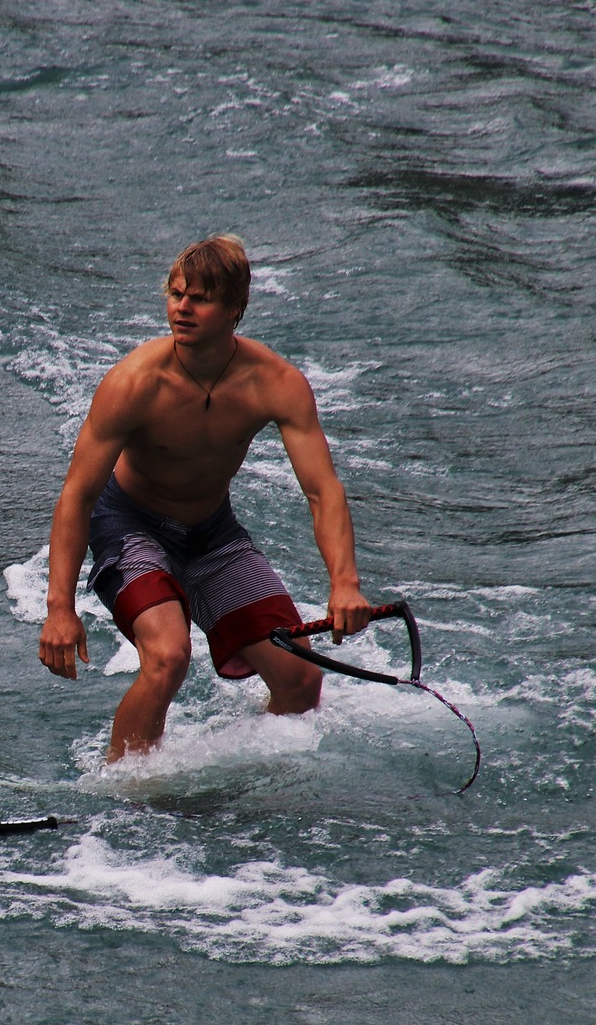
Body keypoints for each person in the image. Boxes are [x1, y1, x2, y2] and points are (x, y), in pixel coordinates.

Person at [37, 233, 372, 763]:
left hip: (212, 533)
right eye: (175, 295)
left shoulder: (275, 382)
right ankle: (123, 796)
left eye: (200, 298)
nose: (182, 308)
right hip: (130, 525)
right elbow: (77, 495)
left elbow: (321, 488)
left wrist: (345, 584)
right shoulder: (135, 383)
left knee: (300, 679)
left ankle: (246, 781)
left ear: (235, 308)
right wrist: (60, 607)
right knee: (169, 656)